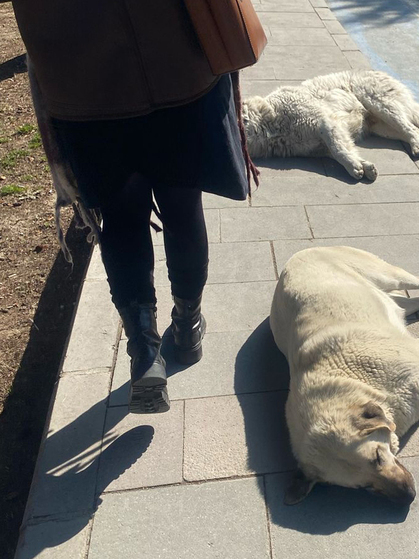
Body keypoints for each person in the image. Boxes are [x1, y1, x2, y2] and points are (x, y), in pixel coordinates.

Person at [11, 0, 255, 413]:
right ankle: (188, 325)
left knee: (121, 219)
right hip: (177, 63)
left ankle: (144, 351)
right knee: (182, 204)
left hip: (84, 80)